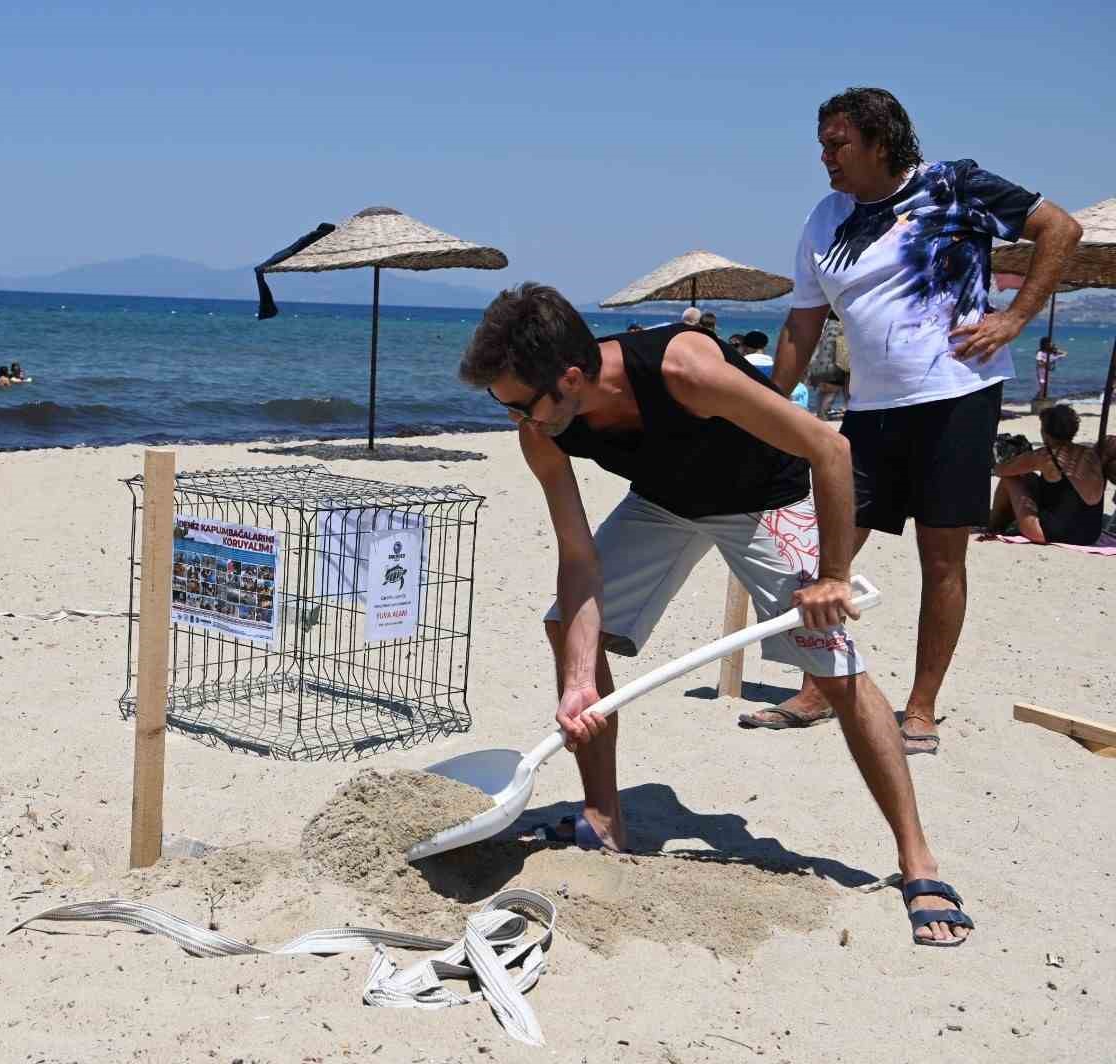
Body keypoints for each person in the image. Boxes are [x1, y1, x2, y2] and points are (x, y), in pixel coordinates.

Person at [461, 282, 973, 946]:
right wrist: (579, 680)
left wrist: (835, 575)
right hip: (664, 502)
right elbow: (579, 559)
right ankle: (604, 816)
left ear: (571, 377)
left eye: (521, 406)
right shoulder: (542, 429)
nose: (516, 422)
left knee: (836, 670)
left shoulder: (685, 369)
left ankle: (918, 863)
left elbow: (831, 449)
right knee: (567, 630)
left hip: (765, 498)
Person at [766, 87, 1083, 752]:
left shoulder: (955, 186)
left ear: (880, 142)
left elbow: (1060, 230)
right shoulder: (825, 219)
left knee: (941, 560)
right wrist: (766, 407)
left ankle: (921, 707)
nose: (825, 158)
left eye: (837, 144)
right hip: (869, 412)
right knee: (827, 555)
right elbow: (802, 322)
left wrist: (1016, 317)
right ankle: (819, 687)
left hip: (955, 398)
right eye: (822, 144)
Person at [987, 404, 1106, 545]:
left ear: (1045, 431)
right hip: (1089, 535)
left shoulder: (1045, 456)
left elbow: (1001, 470)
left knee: (1009, 479)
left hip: (1048, 534)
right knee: (1029, 477)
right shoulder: (1090, 453)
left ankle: (993, 526)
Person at [806, 314, 850, 419]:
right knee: (836, 386)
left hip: (830, 341)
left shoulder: (828, 321)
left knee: (828, 388)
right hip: (841, 337)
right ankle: (824, 415)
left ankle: (822, 415)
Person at [1034, 337, 1065, 402]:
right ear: (1045, 344)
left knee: (1045, 387)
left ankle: (1038, 399)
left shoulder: (1051, 352)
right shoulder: (1040, 352)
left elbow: (1065, 353)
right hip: (1041, 371)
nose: (1051, 343)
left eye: (1051, 342)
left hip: (1047, 371)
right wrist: (1051, 359)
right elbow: (1039, 363)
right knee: (1043, 386)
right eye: (1050, 342)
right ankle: (1038, 399)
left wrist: (1055, 349)